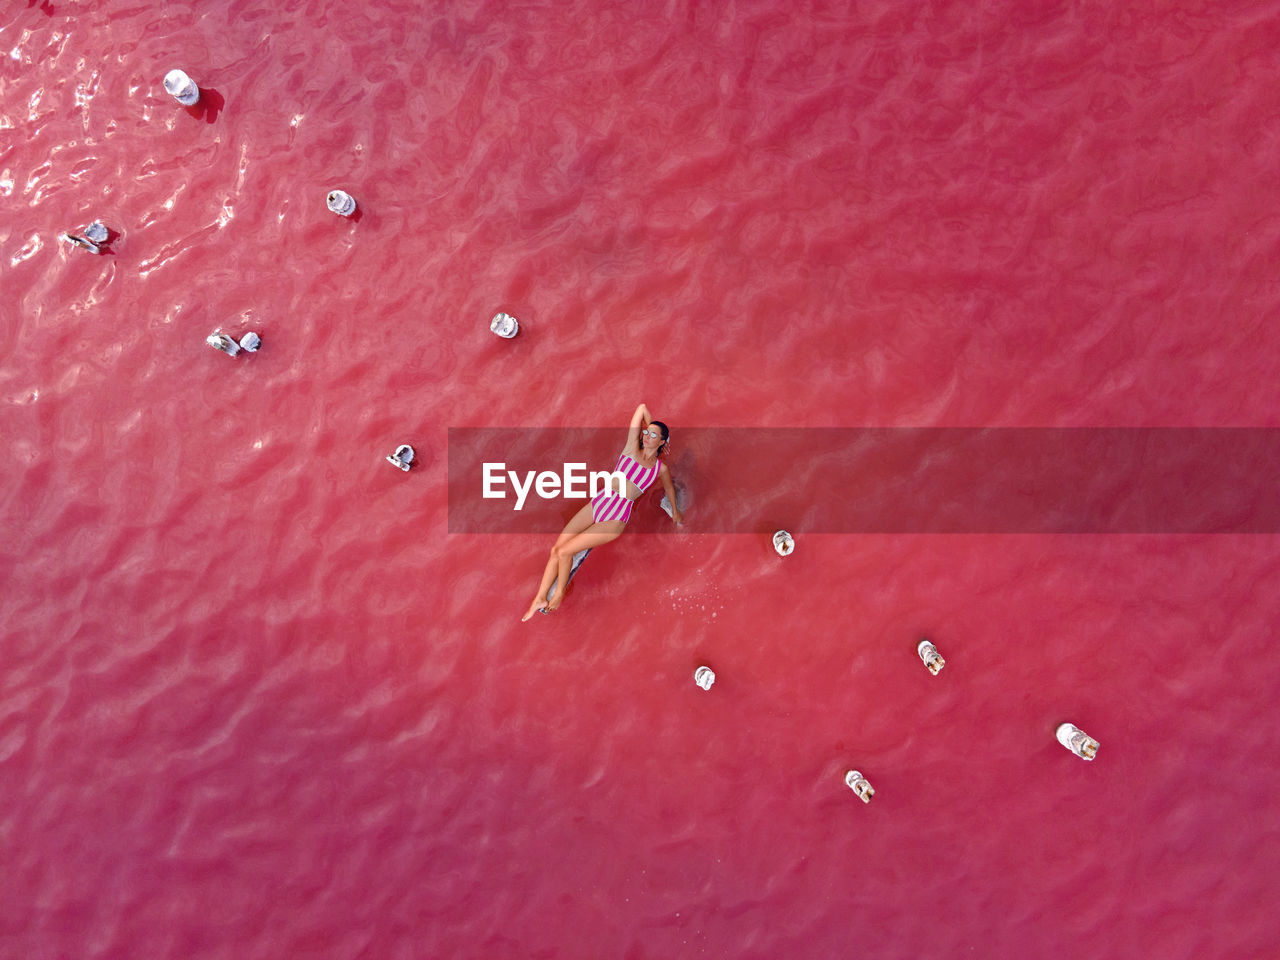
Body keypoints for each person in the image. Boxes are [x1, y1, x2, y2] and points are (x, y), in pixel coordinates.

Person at [522, 403, 683, 620]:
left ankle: (558, 594)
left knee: (565, 552)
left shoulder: (659, 469)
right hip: (598, 504)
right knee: (556, 549)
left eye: (653, 435)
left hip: (615, 518)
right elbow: (641, 409)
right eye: (646, 432)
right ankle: (540, 597)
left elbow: (669, 488)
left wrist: (675, 511)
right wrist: (652, 424)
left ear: (662, 441)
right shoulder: (630, 449)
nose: (646, 436)